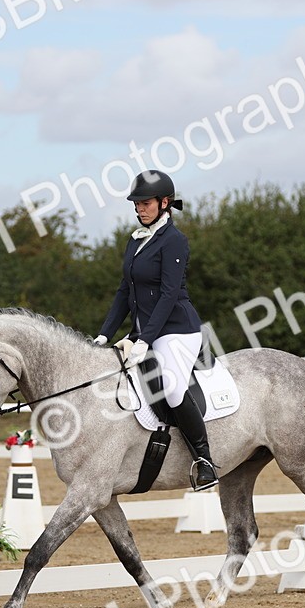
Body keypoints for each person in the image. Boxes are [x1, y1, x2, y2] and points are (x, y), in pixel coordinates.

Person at [93, 170, 218, 491]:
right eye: (136, 204)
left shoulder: (174, 240)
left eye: (145, 203)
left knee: (173, 388)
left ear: (164, 203)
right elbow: (125, 292)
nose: (139, 209)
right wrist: (105, 335)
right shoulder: (135, 241)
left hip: (177, 330)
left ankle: (204, 460)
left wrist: (143, 339)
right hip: (145, 331)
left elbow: (168, 294)